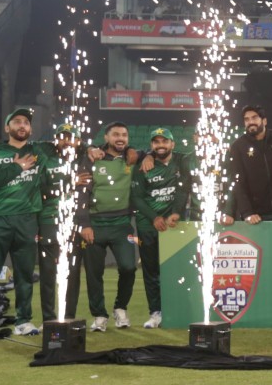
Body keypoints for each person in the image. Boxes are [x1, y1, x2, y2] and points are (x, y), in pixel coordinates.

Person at [77, 122, 140, 332]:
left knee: (129, 267)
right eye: (115, 135)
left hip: (122, 225)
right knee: (94, 273)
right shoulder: (92, 158)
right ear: (106, 137)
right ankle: (99, 315)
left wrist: (143, 154)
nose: (120, 138)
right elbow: (82, 194)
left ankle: (120, 308)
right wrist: (84, 224)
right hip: (94, 225)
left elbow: (153, 152)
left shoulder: (132, 158)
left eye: (124, 135)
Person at [130, 128, 188, 328]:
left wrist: (176, 212)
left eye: (165, 141)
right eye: (156, 142)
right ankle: (156, 312)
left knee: (179, 269)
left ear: (173, 144)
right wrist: (154, 217)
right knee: (151, 271)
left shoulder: (182, 161)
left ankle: (180, 310)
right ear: (152, 145)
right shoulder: (143, 165)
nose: (160, 145)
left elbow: (183, 189)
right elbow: (136, 198)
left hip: (175, 224)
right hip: (148, 225)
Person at [0, 108, 44, 335]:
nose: (22, 125)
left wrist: (95, 149)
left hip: (27, 220)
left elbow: (69, 146)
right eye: (16, 122)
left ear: (31, 128)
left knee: (25, 274)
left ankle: (23, 321)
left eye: (26, 122)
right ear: (7, 128)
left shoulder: (39, 152)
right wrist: (17, 167)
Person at [36, 123, 88, 324]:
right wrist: (69, 183)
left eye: (71, 137)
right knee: (48, 273)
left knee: (73, 272)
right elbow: (39, 191)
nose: (67, 141)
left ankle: (69, 317)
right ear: (55, 139)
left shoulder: (85, 160)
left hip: (75, 223)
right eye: (62, 136)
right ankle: (48, 319)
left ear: (79, 141)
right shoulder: (46, 160)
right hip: (50, 220)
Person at [227, 105, 272, 224]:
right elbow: (238, 182)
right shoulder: (238, 147)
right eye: (246, 119)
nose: (250, 122)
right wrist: (247, 212)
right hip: (256, 216)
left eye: (254, 118)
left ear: (264, 121)